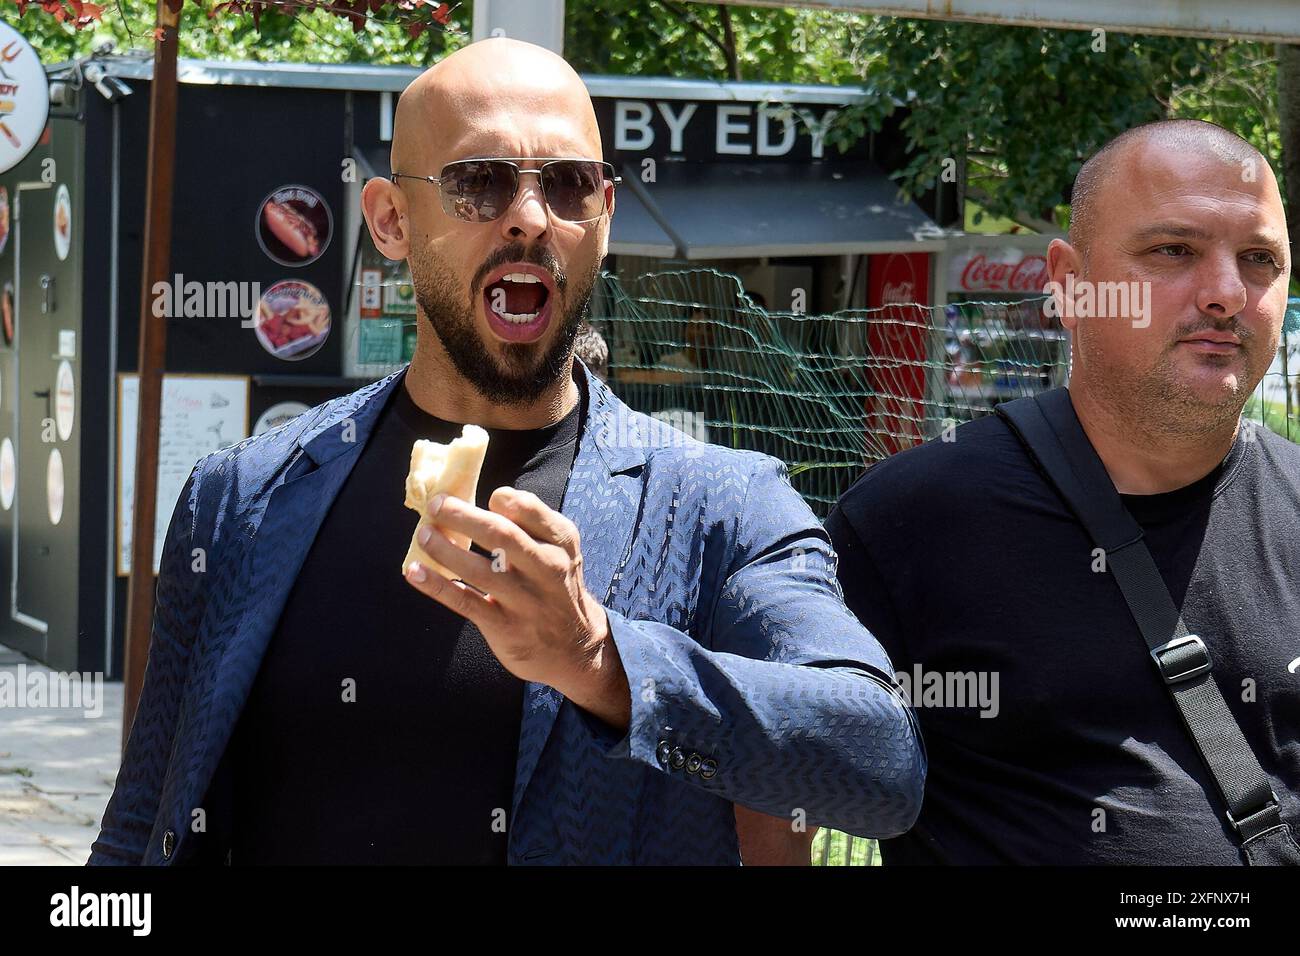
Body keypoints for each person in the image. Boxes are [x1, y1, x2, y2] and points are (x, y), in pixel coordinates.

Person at [90, 37, 924, 867]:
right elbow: (139, 829)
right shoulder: (242, 500)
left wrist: (601, 662)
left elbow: (881, 764)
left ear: (603, 219)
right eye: (477, 182)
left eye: (566, 185)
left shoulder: (720, 505)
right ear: (390, 219)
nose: (529, 216)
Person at [827, 119, 1299, 865]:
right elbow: (769, 781)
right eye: (1173, 251)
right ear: (1071, 284)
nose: (1225, 293)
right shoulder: (908, 521)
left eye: (1260, 259)